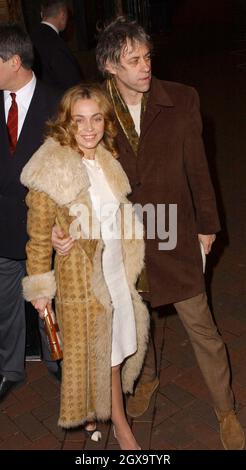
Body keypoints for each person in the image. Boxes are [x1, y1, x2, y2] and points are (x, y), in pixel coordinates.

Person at [52, 17, 245, 450]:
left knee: (201, 325)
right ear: (110, 68)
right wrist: (61, 223)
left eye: (147, 57)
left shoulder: (181, 99)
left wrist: (208, 225)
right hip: (125, 236)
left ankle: (225, 408)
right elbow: (72, 166)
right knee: (137, 318)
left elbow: (199, 167)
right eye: (133, 60)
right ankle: (147, 380)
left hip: (174, 230)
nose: (145, 66)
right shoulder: (98, 112)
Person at [21, 83, 149, 450]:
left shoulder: (107, 159)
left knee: (113, 348)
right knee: (105, 355)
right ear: (66, 123)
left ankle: (99, 412)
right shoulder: (53, 169)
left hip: (115, 272)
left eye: (96, 119)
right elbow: (39, 237)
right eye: (79, 121)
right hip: (81, 280)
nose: (89, 128)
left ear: (105, 121)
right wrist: (41, 291)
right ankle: (122, 428)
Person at [0, 23, 61, 402]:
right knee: (5, 307)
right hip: (2, 230)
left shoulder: (58, 104)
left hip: (45, 231)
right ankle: (11, 369)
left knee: (48, 303)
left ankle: (57, 362)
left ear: (14, 61)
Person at [31, 0, 82, 92]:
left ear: (42, 14)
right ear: (63, 15)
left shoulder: (29, 36)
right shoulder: (56, 44)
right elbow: (73, 84)